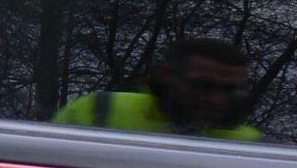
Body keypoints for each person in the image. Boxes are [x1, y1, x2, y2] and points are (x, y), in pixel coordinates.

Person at [53, 37, 262, 140]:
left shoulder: (252, 144)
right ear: (166, 74)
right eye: (203, 86)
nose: (217, 99)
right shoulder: (98, 109)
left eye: (230, 90)